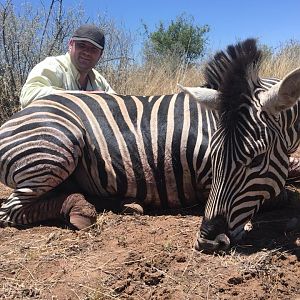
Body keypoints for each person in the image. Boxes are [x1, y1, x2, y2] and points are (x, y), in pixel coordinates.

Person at [20, 24, 115, 109]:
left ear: (100, 55)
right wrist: (83, 97)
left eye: (93, 49)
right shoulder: (53, 65)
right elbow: (28, 95)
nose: (86, 52)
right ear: (70, 45)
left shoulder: (98, 80)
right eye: (81, 45)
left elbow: (116, 102)